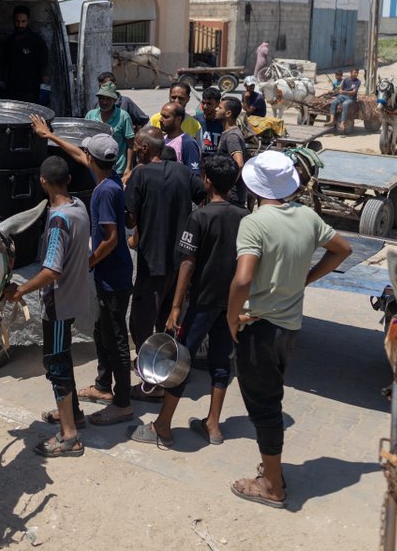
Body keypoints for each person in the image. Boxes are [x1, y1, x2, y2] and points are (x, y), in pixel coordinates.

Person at [227, 150, 352, 509]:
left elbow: (243, 279)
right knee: (270, 399)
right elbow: (343, 248)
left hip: (259, 327)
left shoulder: (255, 222)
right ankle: (272, 469)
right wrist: (306, 279)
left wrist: (231, 317)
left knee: (264, 407)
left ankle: (271, 486)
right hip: (289, 328)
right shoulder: (308, 217)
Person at [128, 154, 247, 449]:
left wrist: (177, 306)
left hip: (202, 302)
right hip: (229, 303)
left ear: (206, 180)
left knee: (179, 361)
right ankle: (213, 424)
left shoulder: (200, 217)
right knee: (221, 363)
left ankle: (163, 427)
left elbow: (187, 264)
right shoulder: (244, 217)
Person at [30, 116, 135, 425]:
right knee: (103, 333)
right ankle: (103, 386)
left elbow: (112, 239)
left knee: (116, 340)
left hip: (112, 276)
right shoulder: (111, 176)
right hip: (113, 274)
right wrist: (49, 135)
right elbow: (79, 155)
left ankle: (123, 403)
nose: (83, 156)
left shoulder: (103, 192)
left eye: (86, 154)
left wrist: (86, 262)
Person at [4, 156, 92, 458]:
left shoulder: (58, 221)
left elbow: (52, 270)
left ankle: (69, 435)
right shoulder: (78, 207)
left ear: (43, 182)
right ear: (68, 180)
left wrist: (20, 291)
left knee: (56, 365)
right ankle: (74, 414)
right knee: (63, 358)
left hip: (58, 303)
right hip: (75, 297)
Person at [125, 126, 205, 399]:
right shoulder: (182, 171)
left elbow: (130, 219)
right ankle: (168, 364)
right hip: (180, 260)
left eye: (136, 144)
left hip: (153, 259)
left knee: (141, 320)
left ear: (145, 149)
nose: (134, 148)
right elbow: (202, 195)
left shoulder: (140, 174)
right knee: (168, 316)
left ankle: (151, 378)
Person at [85, 81, 136, 177]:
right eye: (101, 98)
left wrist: (128, 167)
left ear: (114, 100)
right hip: (95, 168)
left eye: (108, 99)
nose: (104, 102)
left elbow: (131, 144)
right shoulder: (90, 115)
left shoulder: (123, 116)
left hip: (117, 169)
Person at [2, 5, 49, 104]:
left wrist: (44, 90)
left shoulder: (37, 42)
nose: (20, 25)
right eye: (17, 21)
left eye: (23, 22)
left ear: (28, 21)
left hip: (30, 93)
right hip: (12, 91)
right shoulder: (9, 42)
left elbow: (44, 67)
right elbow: (4, 66)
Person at [216, 96, 249, 208]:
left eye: (219, 108)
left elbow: (239, 164)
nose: (216, 109)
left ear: (228, 113)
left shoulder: (231, 136)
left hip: (232, 195)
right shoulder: (228, 132)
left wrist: (228, 187)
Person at [158, 102, 201, 177]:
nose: (160, 120)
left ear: (178, 119)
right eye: (161, 116)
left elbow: (194, 176)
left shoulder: (187, 143)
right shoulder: (162, 139)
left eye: (166, 117)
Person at [197, 87, 223, 155]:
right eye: (203, 103)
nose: (205, 107)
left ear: (218, 104)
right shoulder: (195, 121)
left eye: (209, 104)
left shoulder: (223, 122)